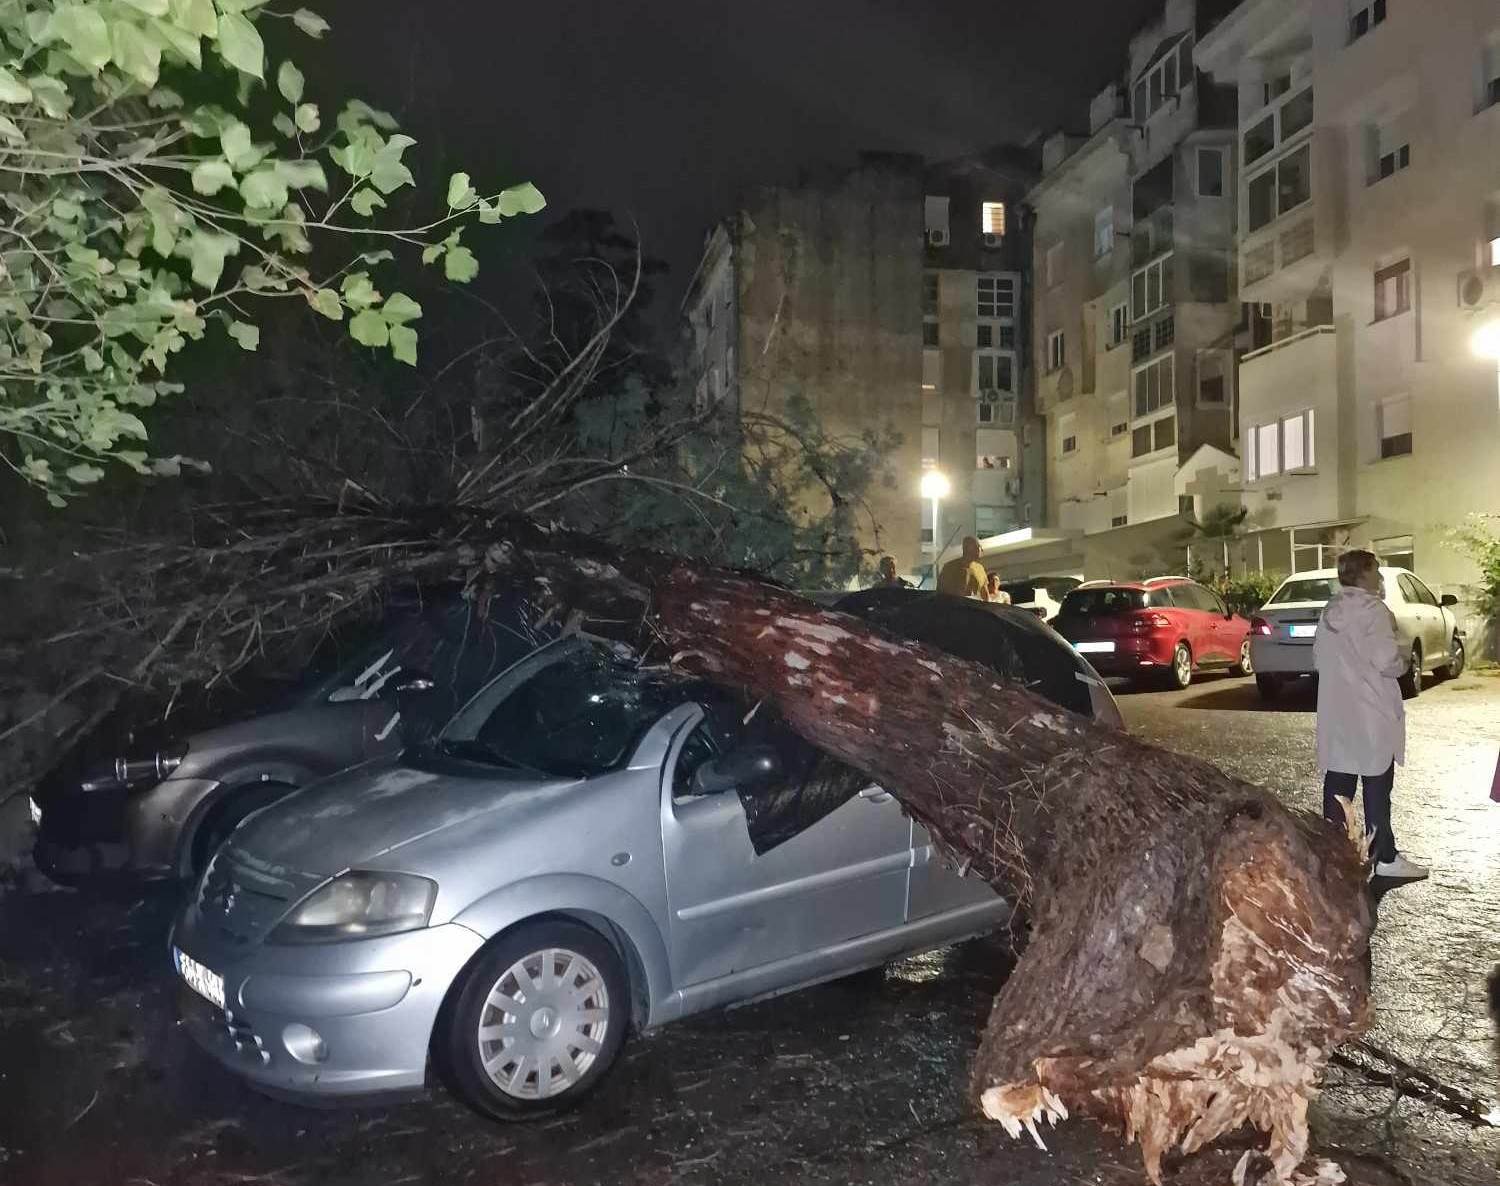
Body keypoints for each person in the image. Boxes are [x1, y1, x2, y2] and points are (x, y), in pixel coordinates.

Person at [1313, 549, 1428, 880]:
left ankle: (1336, 858)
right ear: (1362, 574)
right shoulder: (1374, 611)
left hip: (1338, 712)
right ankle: (1384, 858)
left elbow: (1319, 659)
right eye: (1375, 572)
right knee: (1377, 785)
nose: (1379, 578)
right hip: (1372, 710)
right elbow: (1387, 661)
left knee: (1339, 784)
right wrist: (1403, 661)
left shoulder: (1330, 611)